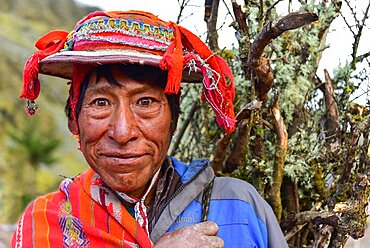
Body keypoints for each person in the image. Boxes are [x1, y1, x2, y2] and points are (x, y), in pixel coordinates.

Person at [12, 10, 288, 247]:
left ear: (174, 119)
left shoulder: (238, 206)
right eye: (101, 103)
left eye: (145, 102)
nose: (122, 132)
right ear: (74, 119)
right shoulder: (46, 224)